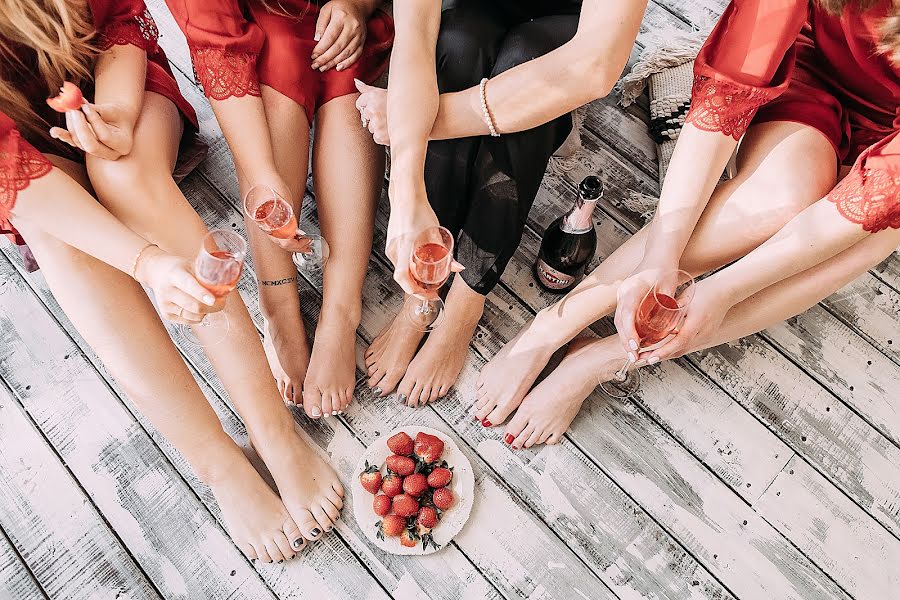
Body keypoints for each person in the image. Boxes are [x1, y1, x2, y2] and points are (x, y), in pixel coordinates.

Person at [1, 0, 343, 562]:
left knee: (125, 173)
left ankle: (274, 431)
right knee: (59, 244)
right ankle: (218, 464)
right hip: (20, 176)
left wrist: (112, 111)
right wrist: (147, 264)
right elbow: (8, 171)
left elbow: (118, 20)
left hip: (123, 90)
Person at [474, 0, 900, 448]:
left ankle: (606, 358)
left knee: (870, 243)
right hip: (816, 70)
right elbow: (730, 84)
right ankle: (555, 325)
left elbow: (878, 198)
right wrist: (663, 253)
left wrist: (721, 290)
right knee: (783, 197)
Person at [355, 0, 649, 408]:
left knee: (527, 55)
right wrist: (406, 194)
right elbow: (417, 33)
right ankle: (425, 287)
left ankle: (465, 302)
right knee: (457, 44)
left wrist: (418, 121)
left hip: (571, 20)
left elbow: (591, 66)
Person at [165, 0, 392, 419]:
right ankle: (278, 302)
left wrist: (359, 4)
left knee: (346, 62)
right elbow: (219, 47)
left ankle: (342, 308)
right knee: (280, 53)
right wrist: (263, 176)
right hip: (259, 16)